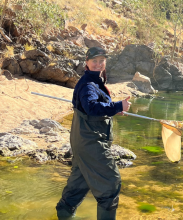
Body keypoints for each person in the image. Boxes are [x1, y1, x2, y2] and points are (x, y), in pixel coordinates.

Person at [56, 47, 131, 220]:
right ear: (87, 63)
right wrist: (118, 106)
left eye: (101, 61)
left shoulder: (94, 81)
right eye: (94, 61)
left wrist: (112, 110)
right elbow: (90, 106)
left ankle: (63, 215)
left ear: (105, 62)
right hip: (91, 142)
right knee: (110, 183)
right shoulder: (88, 85)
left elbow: (96, 107)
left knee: (79, 184)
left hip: (82, 141)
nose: (98, 64)